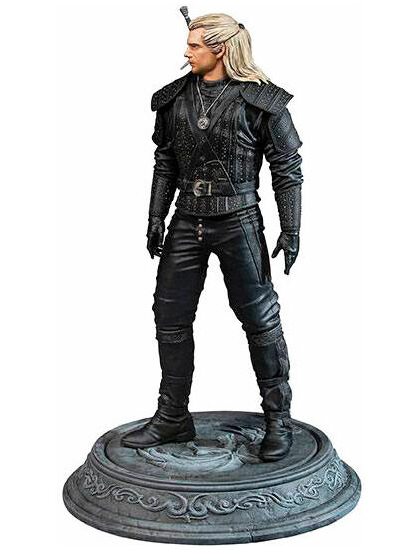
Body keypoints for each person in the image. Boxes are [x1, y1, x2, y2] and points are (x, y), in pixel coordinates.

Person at [121, 11, 303, 462]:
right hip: (187, 219)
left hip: (238, 220)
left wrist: (291, 228)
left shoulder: (261, 101)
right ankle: (172, 415)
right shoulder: (174, 99)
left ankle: (278, 419)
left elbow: (287, 169)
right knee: (170, 315)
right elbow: (165, 161)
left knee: (260, 318)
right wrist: (156, 216)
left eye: (195, 45)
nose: (186, 52)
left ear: (220, 49)